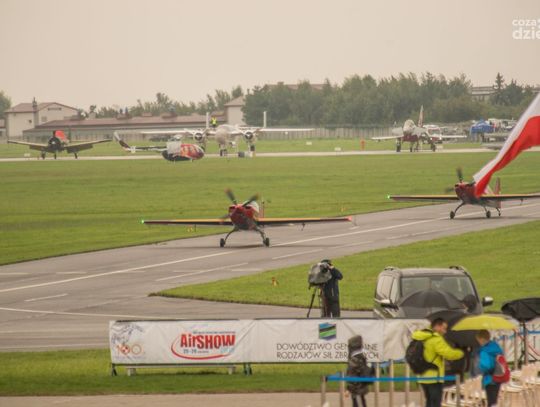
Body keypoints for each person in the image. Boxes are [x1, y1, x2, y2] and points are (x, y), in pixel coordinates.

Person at [411, 318, 465, 407]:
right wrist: (461, 353)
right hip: (434, 376)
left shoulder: (420, 336)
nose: (445, 331)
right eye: (444, 328)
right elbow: (448, 354)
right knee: (435, 403)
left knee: (429, 401)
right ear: (437, 326)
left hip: (421, 376)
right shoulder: (436, 339)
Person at [476, 330, 503, 407]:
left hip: (489, 378)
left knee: (490, 400)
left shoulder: (484, 351)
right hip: (499, 375)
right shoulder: (495, 346)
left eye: (478, 340)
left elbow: (486, 366)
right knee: (494, 400)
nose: (478, 343)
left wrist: (480, 368)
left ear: (482, 339)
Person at [346, 335, 373, 407]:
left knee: (359, 404)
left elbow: (352, 375)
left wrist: (349, 389)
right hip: (361, 387)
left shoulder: (354, 359)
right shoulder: (362, 357)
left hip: (357, 389)